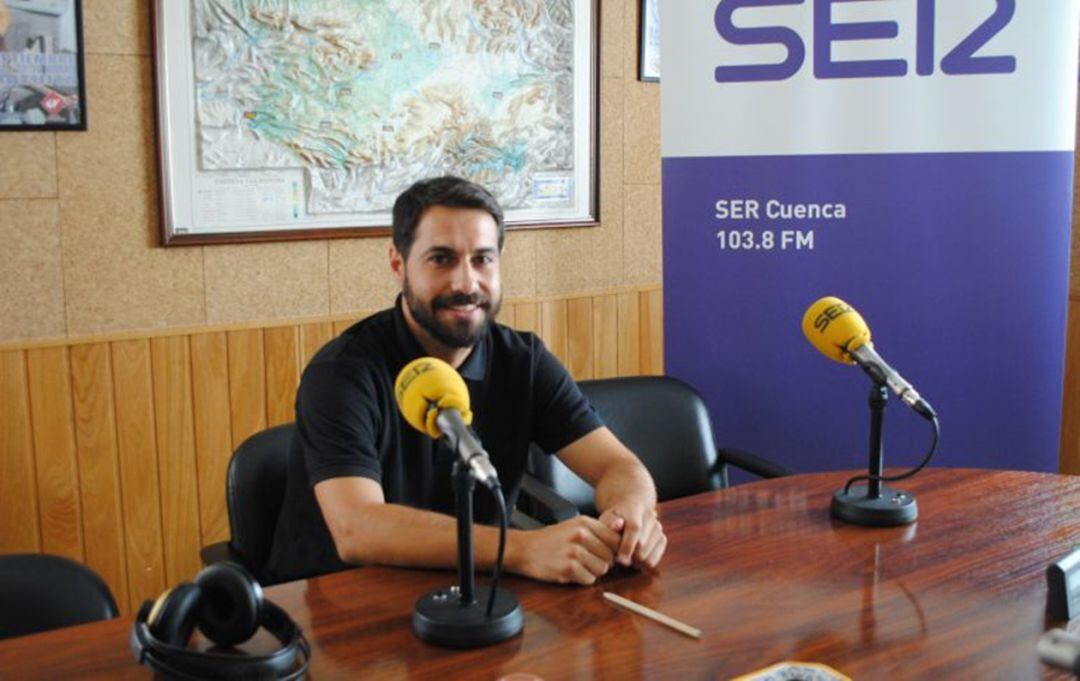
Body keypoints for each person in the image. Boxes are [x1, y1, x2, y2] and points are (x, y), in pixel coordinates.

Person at [266, 176, 666, 585]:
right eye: (441, 259)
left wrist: (631, 513)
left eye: (482, 259)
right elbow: (356, 528)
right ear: (398, 263)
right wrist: (524, 548)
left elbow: (617, 465)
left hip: (474, 592)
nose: (466, 283)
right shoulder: (342, 372)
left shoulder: (523, 360)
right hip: (336, 607)